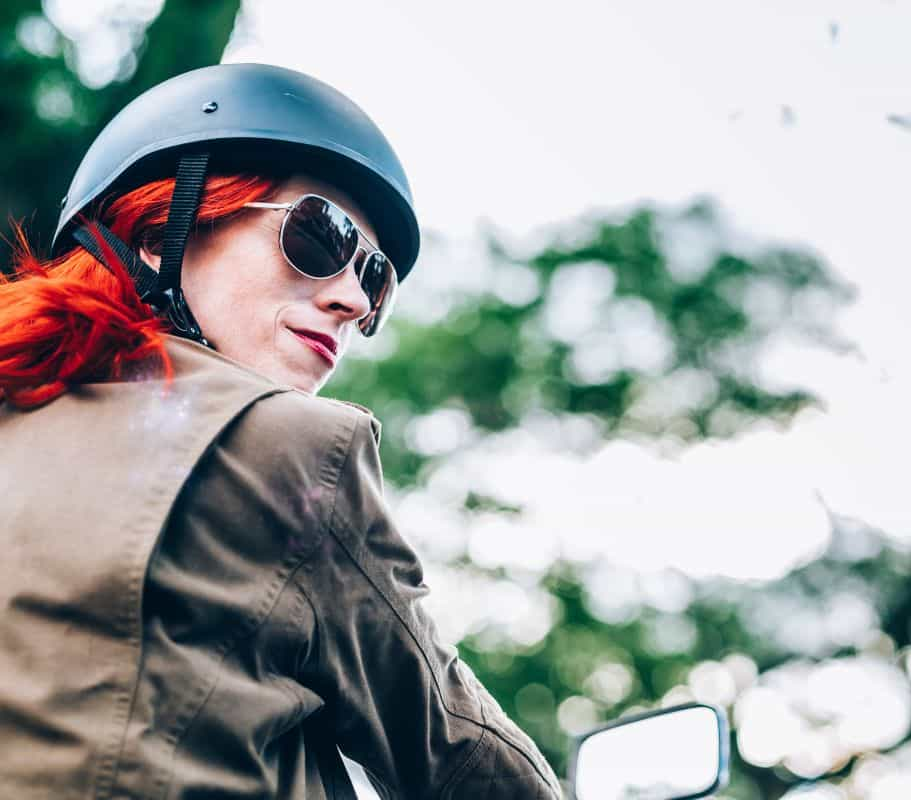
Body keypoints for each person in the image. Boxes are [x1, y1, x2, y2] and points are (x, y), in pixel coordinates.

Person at [0, 63, 561, 799]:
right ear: (158, 226)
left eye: (376, 278)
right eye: (319, 235)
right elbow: (459, 755)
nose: (354, 299)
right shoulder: (286, 447)